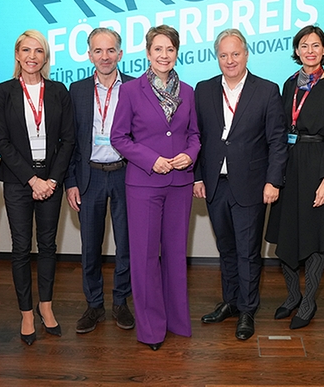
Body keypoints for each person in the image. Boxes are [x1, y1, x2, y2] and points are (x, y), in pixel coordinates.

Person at [193, 29, 288, 340]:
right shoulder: (203, 90)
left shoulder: (267, 90)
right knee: (226, 249)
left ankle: (247, 310)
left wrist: (273, 180)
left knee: (248, 251)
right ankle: (230, 302)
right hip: (214, 183)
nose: (230, 60)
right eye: (223, 55)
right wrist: (196, 176)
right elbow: (197, 138)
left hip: (251, 184)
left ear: (247, 54)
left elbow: (277, 141)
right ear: (216, 57)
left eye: (235, 54)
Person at [111, 25, 200, 351]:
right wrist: (151, 160)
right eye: (158, 49)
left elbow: (194, 135)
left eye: (170, 49)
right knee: (146, 256)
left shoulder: (188, 92)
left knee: (176, 254)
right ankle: (151, 328)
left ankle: (177, 321)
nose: (164, 55)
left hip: (179, 182)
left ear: (177, 53)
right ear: (148, 53)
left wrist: (189, 155)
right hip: (144, 183)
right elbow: (119, 137)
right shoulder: (131, 91)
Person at [0, 29, 75, 345]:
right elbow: (2, 141)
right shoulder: (3, 91)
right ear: (17, 54)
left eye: (38, 51)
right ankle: (26, 312)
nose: (32, 56)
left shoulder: (59, 91)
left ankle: (46, 306)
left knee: (49, 246)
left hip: (51, 180)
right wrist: (32, 179)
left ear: (46, 56)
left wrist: (51, 180)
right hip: (18, 181)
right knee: (21, 247)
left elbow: (68, 139)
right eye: (26, 50)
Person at [265, 25, 324, 330]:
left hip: (317, 168)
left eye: (315, 45)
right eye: (303, 45)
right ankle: (291, 296)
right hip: (289, 166)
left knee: (313, 238)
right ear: (296, 51)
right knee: (285, 234)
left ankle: (309, 301)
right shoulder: (289, 84)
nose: (309, 50)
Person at [65, 28, 136, 334]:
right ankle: (94, 305)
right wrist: (70, 182)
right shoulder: (76, 90)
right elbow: (67, 140)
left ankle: (121, 302)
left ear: (120, 54)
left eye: (110, 51)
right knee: (90, 247)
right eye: (98, 51)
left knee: (126, 246)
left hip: (126, 174)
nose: (104, 57)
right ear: (89, 54)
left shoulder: (136, 87)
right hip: (89, 176)